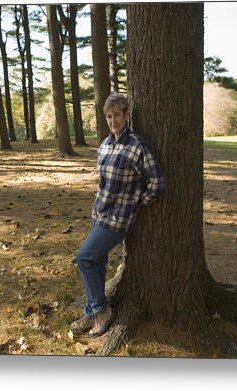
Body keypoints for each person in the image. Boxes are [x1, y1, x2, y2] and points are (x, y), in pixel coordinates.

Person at [70, 92, 165, 338]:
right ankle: (91, 313)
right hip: (99, 214)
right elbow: (102, 182)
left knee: (85, 258)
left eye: (117, 116)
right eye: (109, 117)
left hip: (118, 220)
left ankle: (102, 312)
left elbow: (156, 181)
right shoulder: (104, 145)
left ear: (126, 116)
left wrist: (137, 203)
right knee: (97, 263)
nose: (113, 121)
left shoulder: (137, 147)